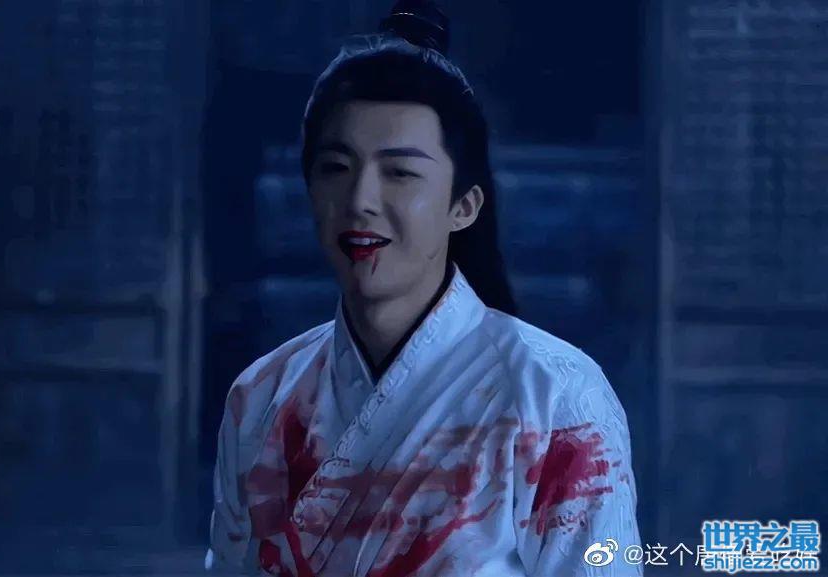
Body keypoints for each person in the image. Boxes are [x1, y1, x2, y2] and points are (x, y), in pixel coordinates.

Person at [205, 1, 642, 575]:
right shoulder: (260, 396)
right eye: (336, 168)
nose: (361, 200)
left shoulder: (558, 396)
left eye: (400, 173)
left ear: (464, 206)